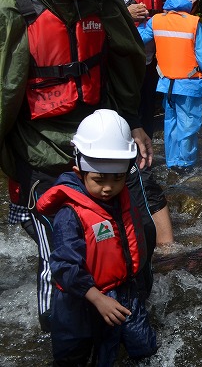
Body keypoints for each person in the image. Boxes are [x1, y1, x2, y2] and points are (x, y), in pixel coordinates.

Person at [0, 0, 172, 330]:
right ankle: (59, 331)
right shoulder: (13, 8)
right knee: (64, 244)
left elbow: (125, 60)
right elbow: (4, 91)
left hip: (98, 133)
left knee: (139, 231)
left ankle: (135, 316)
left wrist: (133, 121)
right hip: (38, 144)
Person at [35, 109, 158, 366]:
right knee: (78, 356)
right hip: (82, 301)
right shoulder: (71, 214)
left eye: (117, 178)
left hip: (123, 291)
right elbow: (64, 267)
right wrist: (96, 297)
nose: (108, 188)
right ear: (79, 171)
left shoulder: (122, 199)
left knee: (144, 348)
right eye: (99, 179)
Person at [138, 0, 202, 172]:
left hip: (166, 84)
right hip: (189, 85)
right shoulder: (193, 24)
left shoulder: (156, 20)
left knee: (171, 123)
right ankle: (186, 165)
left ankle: (172, 162)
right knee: (189, 125)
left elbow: (137, 39)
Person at [111, 0, 169, 137]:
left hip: (150, 61)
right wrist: (126, 13)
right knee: (127, 116)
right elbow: (99, 19)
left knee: (147, 114)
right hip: (126, 64)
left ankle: (146, 164)